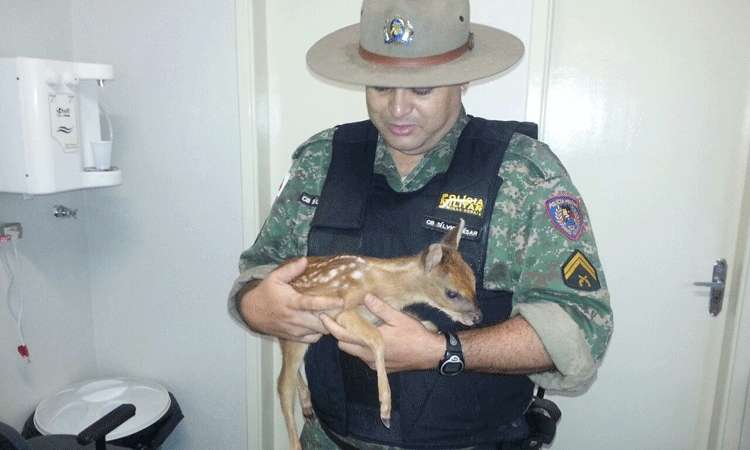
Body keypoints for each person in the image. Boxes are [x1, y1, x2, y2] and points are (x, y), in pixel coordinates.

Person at [228, 1, 613, 448]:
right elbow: (257, 276)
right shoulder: (323, 159)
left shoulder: (523, 172)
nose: (397, 108)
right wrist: (260, 307)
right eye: (380, 87)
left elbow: (581, 330)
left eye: (422, 90)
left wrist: (442, 352)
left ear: (463, 78)